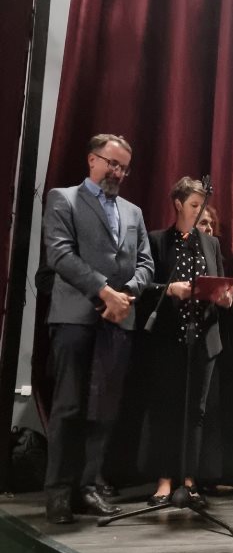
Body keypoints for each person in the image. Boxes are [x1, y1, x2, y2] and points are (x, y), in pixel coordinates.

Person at [42, 133, 154, 524]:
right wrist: (104, 291)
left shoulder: (133, 212)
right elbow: (60, 254)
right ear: (92, 160)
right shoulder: (63, 199)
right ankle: (59, 493)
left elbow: (146, 264)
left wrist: (126, 294)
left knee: (103, 409)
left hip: (118, 319)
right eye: (112, 163)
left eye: (124, 167)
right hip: (76, 317)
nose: (118, 172)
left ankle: (88, 488)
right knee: (69, 407)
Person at [139, 177, 233, 506]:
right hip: (169, 337)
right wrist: (170, 289)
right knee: (166, 409)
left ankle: (190, 481)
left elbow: (222, 286)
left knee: (197, 412)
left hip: (203, 338)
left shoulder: (210, 243)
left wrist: (225, 298)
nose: (199, 211)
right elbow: (143, 287)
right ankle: (165, 480)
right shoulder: (157, 240)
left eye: (202, 205)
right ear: (178, 205)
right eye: (194, 205)